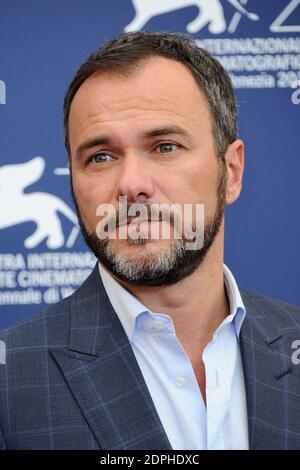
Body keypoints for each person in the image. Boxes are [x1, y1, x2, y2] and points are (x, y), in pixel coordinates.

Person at [1, 31, 300, 451]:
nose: (131, 185)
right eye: (100, 157)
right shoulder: (9, 381)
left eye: (164, 147)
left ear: (231, 172)